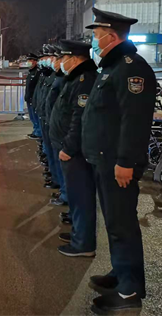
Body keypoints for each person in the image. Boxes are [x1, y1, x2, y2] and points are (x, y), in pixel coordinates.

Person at [81, 8, 156, 315]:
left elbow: (134, 120)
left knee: (122, 225)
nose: (94, 41)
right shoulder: (112, 67)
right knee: (114, 223)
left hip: (117, 163)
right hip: (105, 160)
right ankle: (121, 272)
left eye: (97, 36)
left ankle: (129, 291)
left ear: (111, 37)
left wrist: (126, 161)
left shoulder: (130, 68)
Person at [49, 40, 98, 257]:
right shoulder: (76, 78)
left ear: (75, 58)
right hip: (69, 147)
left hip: (75, 151)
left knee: (81, 196)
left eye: (64, 57)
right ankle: (79, 234)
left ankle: (83, 243)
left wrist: (68, 147)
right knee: (77, 196)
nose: (61, 61)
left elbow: (79, 119)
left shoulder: (84, 80)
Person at [44, 47, 67, 205]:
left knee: (65, 168)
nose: (52, 62)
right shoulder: (56, 76)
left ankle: (65, 194)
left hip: (61, 130)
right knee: (55, 159)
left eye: (55, 59)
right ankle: (59, 183)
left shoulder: (66, 79)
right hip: (51, 122)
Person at [24, 53, 42, 140]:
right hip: (29, 98)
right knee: (32, 117)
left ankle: (38, 132)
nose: (28, 62)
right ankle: (35, 131)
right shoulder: (31, 72)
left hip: (34, 99)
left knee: (35, 117)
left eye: (30, 60)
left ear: (35, 61)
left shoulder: (37, 72)